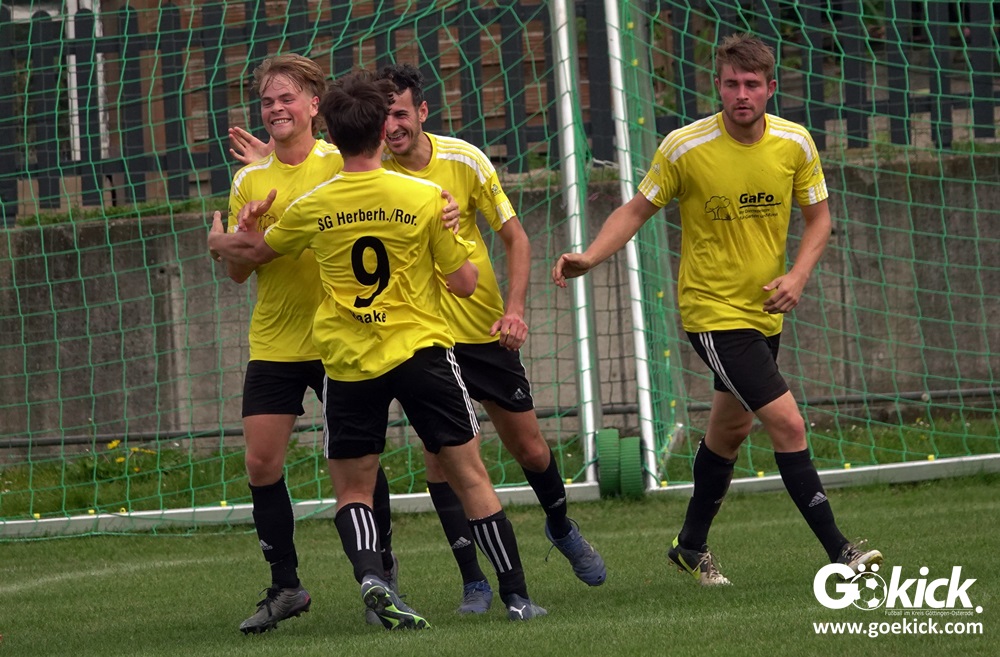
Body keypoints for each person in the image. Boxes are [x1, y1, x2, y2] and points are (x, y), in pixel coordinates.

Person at [231, 62, 607, 613]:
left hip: (389, 347)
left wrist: (229, 238)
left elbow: (262, 248)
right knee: (458, 468)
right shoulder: (411, 191)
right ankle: (499, 591)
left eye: (402, 113)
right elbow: (462, 279)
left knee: (368, 484)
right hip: (419, 344)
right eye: (387, 117)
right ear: (378, 129)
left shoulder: (338, 195)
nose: (395, 125)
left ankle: (382, 574)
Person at [552, 33, 882, 586]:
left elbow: (820, 218)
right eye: (732, 84)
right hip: (711, 313)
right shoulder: (685, 147)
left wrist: (797, 276)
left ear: (771, 88)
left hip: (764, 313)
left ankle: (689, 546)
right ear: (718, 87)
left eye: (752, 84)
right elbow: (635, 210)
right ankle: (841, 553)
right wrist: (589, 256)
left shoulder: (795, 143)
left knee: (729, 432)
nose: (741, 94)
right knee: (788, 422)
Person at [215, 53, 404, 634]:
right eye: (267, 101)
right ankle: (286, 587)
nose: (276, 108)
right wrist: (243, 237)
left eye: (287, 98)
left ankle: (382, 575)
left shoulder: (338, 163)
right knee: (260, 463)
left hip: (337, 339)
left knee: (358, 462)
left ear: (314, 105)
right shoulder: (248, 179)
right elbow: (238, 273)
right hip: (274, 341)